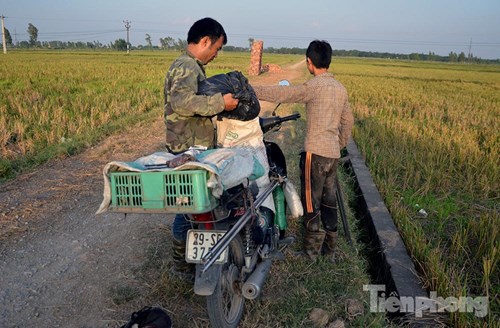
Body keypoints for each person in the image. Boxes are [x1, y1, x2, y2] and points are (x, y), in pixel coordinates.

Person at [252, 40, 354, 262]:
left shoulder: (313, 87)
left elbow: (285, 94)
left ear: (309, 62)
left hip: (314, 154)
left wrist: (254, 89)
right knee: (329, 200)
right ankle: (330, 250)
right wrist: (339, 144)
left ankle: (310, 253)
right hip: (332, 154)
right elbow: (348, 122)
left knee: (311, 202)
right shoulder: (340, 89)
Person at [163, 17, 238, 278]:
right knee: (187, 209)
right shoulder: (187, 66)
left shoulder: (189, 65)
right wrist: (220, 103)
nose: (216, 54)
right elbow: (183, 103)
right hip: (187, 149)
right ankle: (182, 267)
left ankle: (188, 263)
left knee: (193, 205)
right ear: (205, 41)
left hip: (190, 146)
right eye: (216, 48)